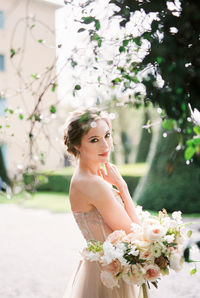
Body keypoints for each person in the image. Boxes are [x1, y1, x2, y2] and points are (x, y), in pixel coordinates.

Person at [63, 107, 141, 298]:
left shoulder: (82, 178)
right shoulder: (93, 183)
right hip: (109, 276)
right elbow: (135, 232)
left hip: (96, 267)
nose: (105, 145)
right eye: (94, 140)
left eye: (107, 135)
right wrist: (122, 187)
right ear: (77, 146)